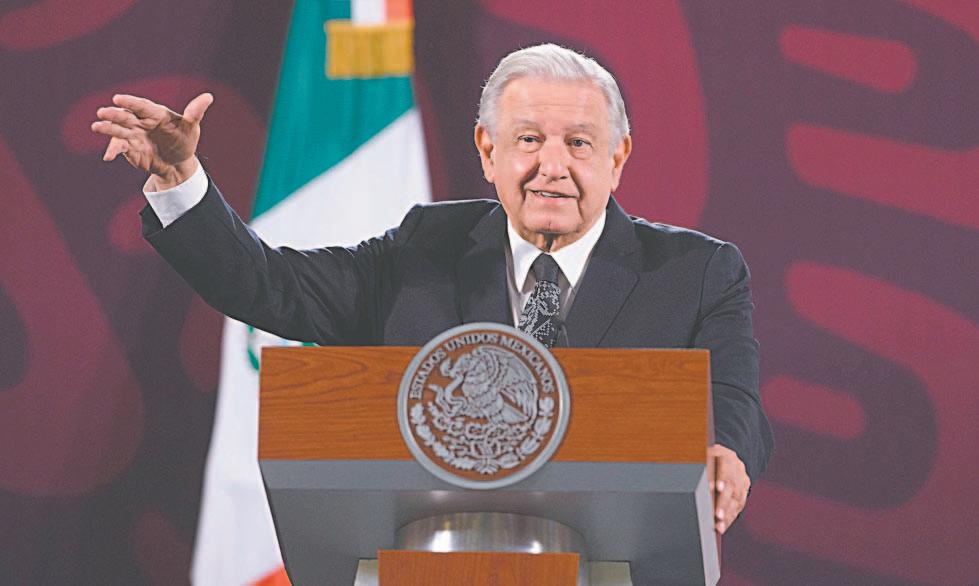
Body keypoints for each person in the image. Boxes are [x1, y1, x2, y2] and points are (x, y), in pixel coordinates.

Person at [91, 43, 772, 534]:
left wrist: (725, 454)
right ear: (488, 151)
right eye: (528, 139)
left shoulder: (695, 271)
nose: (552, 166)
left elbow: (732, 399)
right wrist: (181, 181)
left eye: (579, 143)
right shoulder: (424, 249)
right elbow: (269, 286)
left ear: (617, 157)